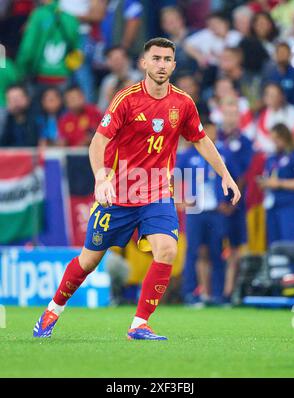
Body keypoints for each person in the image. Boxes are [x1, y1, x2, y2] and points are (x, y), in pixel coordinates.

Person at [33, 37, 240, 340]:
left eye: (167, 59)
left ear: (173, 64)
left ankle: (139, 323)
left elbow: (200, 139)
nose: (161, 64)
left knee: (167, 249)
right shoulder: (126, 99)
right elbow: (98, 142)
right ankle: (52, 310)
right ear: (144, 63)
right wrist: (101, 179)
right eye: (155, 59)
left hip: (157, 194)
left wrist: (225, 174)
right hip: (119, 193)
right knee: (89, 261)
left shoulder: (182, 103)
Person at [179, 121, 227, 306]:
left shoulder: (222, 155)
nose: (211, 135)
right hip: (195, 210)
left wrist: (228, 203)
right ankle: (190, 293)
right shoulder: (189, 155)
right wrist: (180, 200)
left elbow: (236, 177)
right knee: (192, 251)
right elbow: (171, 174)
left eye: (214, 131)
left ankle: (217, 295)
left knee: (217, 252)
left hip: (215, 211)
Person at [217, 95, 254, 302]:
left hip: (235, 205)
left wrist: (233, 201)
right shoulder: (213, 139)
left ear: (239, 117)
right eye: (227, 113)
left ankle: (230, 291)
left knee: (236, 247)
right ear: (222, 114)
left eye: (234, 114)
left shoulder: (245, 142)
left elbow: (243, 175)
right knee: (214, 249)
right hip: (214, 206)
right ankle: (213, 290)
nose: (231, 117)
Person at [259, 123, 294, 245]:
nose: (275, 143)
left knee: (290, 244)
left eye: (277, 140)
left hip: (290, 206)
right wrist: (264, 183)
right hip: (272, 206)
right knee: (274, 245)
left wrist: (279, 183)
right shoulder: (272, 158)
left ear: (284, 137)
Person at [256, 82, 294, 153]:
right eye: (267, 95)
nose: (269, 98)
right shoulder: (262, 115)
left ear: (281, 96)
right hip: (269, 154)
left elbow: (292, 136)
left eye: (273, 95)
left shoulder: (293, 112)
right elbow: (261, 139)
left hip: (291, 153)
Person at [97, 46, 141, 112]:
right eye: (113, 59)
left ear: (127, 59)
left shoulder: (139, 77)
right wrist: (110, 99)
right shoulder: (108, 81)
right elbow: (101, 109)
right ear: (108, 62)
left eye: (119, 58)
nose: (117, 62)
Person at [263, 41, 294, 109]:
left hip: (293, 112)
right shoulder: (271, 75)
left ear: (289, 55)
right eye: (280, 53)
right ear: (275, 55)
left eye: (284, 53)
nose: (282, 55)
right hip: (274, 111)